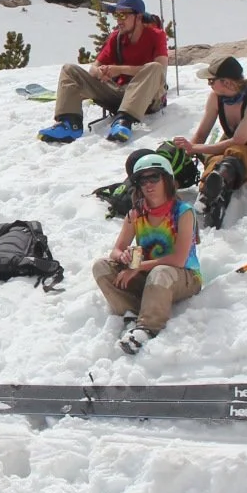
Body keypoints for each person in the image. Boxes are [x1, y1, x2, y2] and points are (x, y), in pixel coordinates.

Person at [90, 152, 202, 355]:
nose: (148, 184)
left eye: (154, 178)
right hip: (149, 274)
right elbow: (117, 249)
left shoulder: (183, 211)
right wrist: (122, 258)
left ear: (166, 180)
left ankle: (147, 327)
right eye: (143, 180)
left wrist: (137, 267)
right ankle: (132, 312)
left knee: (160, 271)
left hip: (184, 276)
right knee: (102, 266)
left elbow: (179, 259)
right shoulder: (135, 213)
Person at [39, 0, 168, 145]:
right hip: (119, 94)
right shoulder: (116, 38)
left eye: (123, 15)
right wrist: (99, 72)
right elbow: (94, 67)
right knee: (69, 70)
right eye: (116, 15)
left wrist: (120, 70)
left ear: (138, 16)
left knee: (154, 67)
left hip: (148, 98)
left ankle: (124, 121)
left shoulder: (156, 36)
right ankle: (69, 124)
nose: (119, 20)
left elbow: (161, 69)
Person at [172, 55, 247, 227]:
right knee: (216, 159)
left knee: (234, 155)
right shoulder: (215, 98)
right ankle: (209, 193)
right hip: (229, 146)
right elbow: (203, 132)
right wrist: (186, 150)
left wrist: (196, 148)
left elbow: (239, 140)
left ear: (227, 82)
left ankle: (215, 191)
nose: (209, 84)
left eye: (212, 81)